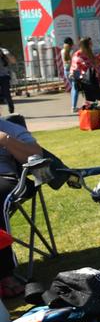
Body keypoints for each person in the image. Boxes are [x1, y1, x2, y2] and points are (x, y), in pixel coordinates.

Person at [0, 118, 43, 299]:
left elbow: (37, 155)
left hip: (4, 178)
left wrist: (5, 140)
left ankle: (4, 274)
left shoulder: (8, 128)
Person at [0, 47, 15, 115]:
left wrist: (5, 55)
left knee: (7, 95)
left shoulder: (4, 51)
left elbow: (13, 61)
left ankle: (11, 110)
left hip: (4, 76)